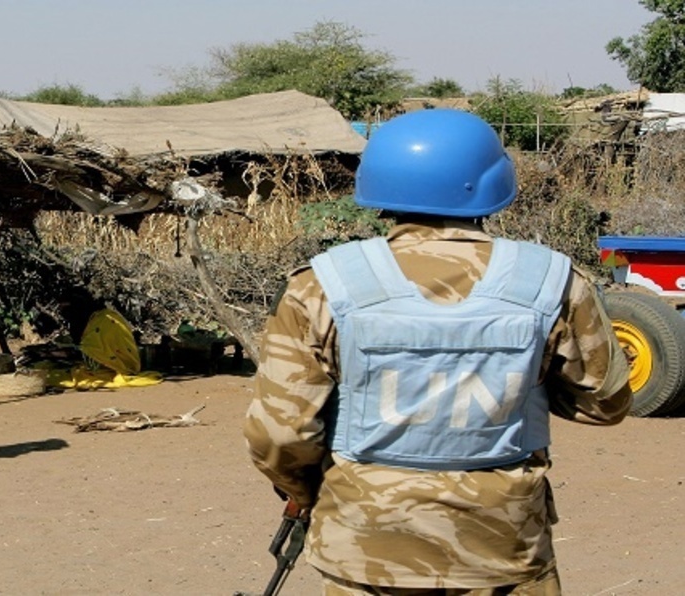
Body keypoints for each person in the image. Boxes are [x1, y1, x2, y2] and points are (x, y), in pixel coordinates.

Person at [243, 109, 632, 594]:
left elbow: (279, 434)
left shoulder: (323, 285)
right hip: (503, 548)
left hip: (365, 548)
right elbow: (607, 402)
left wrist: (307, 491)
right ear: (491, 184)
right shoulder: (550, 281)